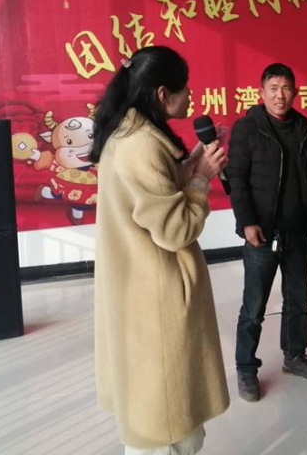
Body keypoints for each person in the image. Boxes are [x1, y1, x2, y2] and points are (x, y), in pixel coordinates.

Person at [90, 45, 229, 454]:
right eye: (185, 89)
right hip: (155, 296)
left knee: (156, 410)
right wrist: (201, 180)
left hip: (138, 290)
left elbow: (157, 193)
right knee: (171, 424)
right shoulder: (142, 146)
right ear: (163, 93)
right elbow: (175, 229)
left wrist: (194, 163)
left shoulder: (130, 134)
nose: (191, 96)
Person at [226, 63, 307, 403]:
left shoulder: (304, 127)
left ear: (295, 92)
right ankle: (246, 368)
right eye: (273, 88)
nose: (280, 95)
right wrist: (247, 222)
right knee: (254, 306)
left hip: (297, 232)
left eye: (286, 88)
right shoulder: (247, 128)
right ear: (261, 92)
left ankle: (295, 356)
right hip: (262, 233)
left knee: (297, 300)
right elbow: (236, 179)